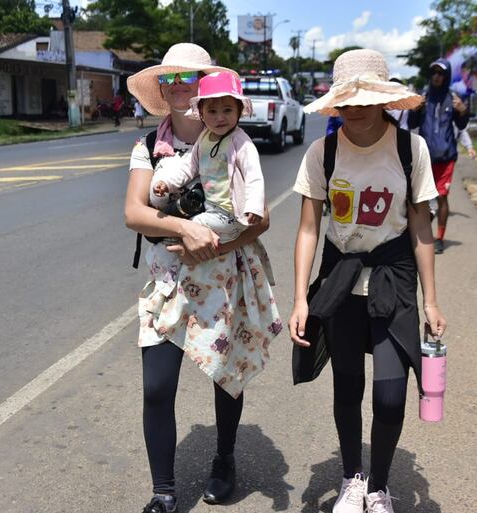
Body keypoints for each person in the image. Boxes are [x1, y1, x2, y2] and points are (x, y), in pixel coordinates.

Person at [125, 43, 281, 513]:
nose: (177, 86)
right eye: (168, 79)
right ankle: (164, 492)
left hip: (224, 275)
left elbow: (263, 218)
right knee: (156, 385)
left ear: (208, 85)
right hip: (169, 279)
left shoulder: (235, 141)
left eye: (187, 77)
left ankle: (225, 459)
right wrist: (183, 227)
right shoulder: (150, 147)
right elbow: (134, 213)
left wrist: (219, 243)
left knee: (226, 377)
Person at [289, 49, 447, 513]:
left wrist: (432, 301)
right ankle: (352, 478)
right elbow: (308, 229)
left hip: (394, 278)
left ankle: (378, 486)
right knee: (348, 386)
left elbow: (420, 226)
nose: (355, 107)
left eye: (366, 95)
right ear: (336, 101)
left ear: (384, 98)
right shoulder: (324, 151)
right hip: (342, 278)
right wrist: (301, 298)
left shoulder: (409, 148)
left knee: (391, 394)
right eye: (347, 97)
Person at [151, 71, 265, 246]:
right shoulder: (204, 138)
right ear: (201, 114)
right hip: (212, 210)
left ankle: (194, 250)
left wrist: (254, 206)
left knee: (193, 227)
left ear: (239, 111)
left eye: (227, 110)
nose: (220, 117)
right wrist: (166, 183)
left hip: (230, 214)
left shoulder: (240, 141)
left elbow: (254, 175)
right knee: (192, 230)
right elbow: (189, 167)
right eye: (212, 111)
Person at [407, 58, 469, 254]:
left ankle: (439, 238)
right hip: (425, 156)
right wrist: (415, 109)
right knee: (421, 198)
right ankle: (419, 233)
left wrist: (463, 111)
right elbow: (412, 123)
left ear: (447, 76)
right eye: (434, 72)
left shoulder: (454, 99)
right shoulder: (423, 97)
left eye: (441, 73)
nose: (436, 76)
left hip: (446, 157)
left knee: (442, 197)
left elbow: (461, 126)